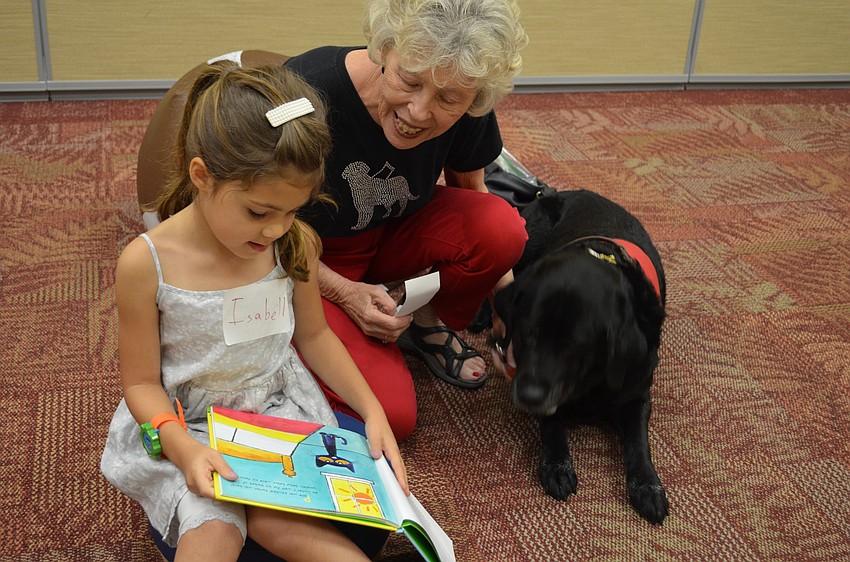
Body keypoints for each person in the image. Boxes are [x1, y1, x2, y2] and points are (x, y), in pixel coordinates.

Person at [135, 0, 529, 441]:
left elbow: (472, 194)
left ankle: (422, 320)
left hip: (397, 232)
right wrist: (345, 293)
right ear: (385, 48)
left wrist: (512, 311)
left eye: (448, 98)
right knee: (393, 415)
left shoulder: (465, 95)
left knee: (502, 229)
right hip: (304, 255)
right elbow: (250, 229)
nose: (420, 111)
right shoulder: (311, 90)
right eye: (409, 80)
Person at [102, 62, 407, 562]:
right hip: (188, 422)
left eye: (293, 210)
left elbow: (315, 338)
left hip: (271, 413)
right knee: (213, 532)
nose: (274, 229)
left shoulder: (294, 244)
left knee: (286, 524)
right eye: (259, 212)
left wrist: (372, 409)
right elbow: (139, 383)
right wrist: (183, 449)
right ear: (202, 176)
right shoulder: (145, 262)